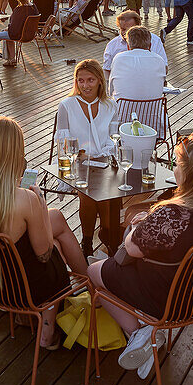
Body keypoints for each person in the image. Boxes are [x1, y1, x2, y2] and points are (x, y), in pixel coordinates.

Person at [88, 131, 193, 377]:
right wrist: (151, 224)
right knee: (117, 263)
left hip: (168, 301)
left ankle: (139, 333)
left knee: (93, 271)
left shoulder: (174, 215)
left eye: (176, 163)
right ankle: (143, 330)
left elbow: (131, 247)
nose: (174, 168)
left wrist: (137, 226)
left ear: (189, 174)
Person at [0, 117, 88, 349]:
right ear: (14, 155)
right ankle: (57, 320)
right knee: (56, 243)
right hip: (24, 289)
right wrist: (40, 204)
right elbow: (44, 254)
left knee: (57, 219)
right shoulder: (24, 199)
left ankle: (40, 313)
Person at [56, 59, 117, 255]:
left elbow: (114, 138)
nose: (85, 85)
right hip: (78, 163)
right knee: (89, 192)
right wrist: (80, 155)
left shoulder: (110, 105)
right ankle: (89, 241)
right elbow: (63, 141)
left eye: (90, 80)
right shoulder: (66, 105)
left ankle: (106, 234)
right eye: (80, 80)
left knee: (107, 195)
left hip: (105, 160)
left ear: (100, 80)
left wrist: (105, 153)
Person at [109, 26, 167, 103]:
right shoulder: (159, 60)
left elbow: (111, 90)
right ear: (150, 45)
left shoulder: (118, 58)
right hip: (153, 113)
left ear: (128, 46)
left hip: (122, 113)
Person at [102, 11, 167, 78]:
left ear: (139, 26)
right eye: (123, 29)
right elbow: (107, 70)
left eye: (131, 29)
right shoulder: (112, 45)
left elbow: (164, 66)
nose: (126, 33)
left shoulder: (155, 40)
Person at [0, 0, 37, 64]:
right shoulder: (33, 7)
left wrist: (8, 29)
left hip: (18, 35)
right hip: (30, 34)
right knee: (6, 34)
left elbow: (13, 30)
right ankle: (11, 59)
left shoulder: (19, 10)